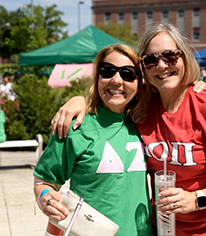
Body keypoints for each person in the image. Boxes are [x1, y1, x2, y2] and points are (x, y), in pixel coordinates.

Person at [51, 23, 206, 236]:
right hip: (167, 230)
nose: (161, 66)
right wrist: (80, 101)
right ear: (143, 68)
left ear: (184, 58)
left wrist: (195, 199)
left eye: (170, 57)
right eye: (151, 60)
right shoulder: (142, 107)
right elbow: (112, 96)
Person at [33, 44, 153, 236]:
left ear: (139, 83)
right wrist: (45, 199)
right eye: (108, 71)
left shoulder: (146, 123)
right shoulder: (74, 126)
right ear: (98, 77)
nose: (116, 80)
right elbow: (45, 181)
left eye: (128, 74)